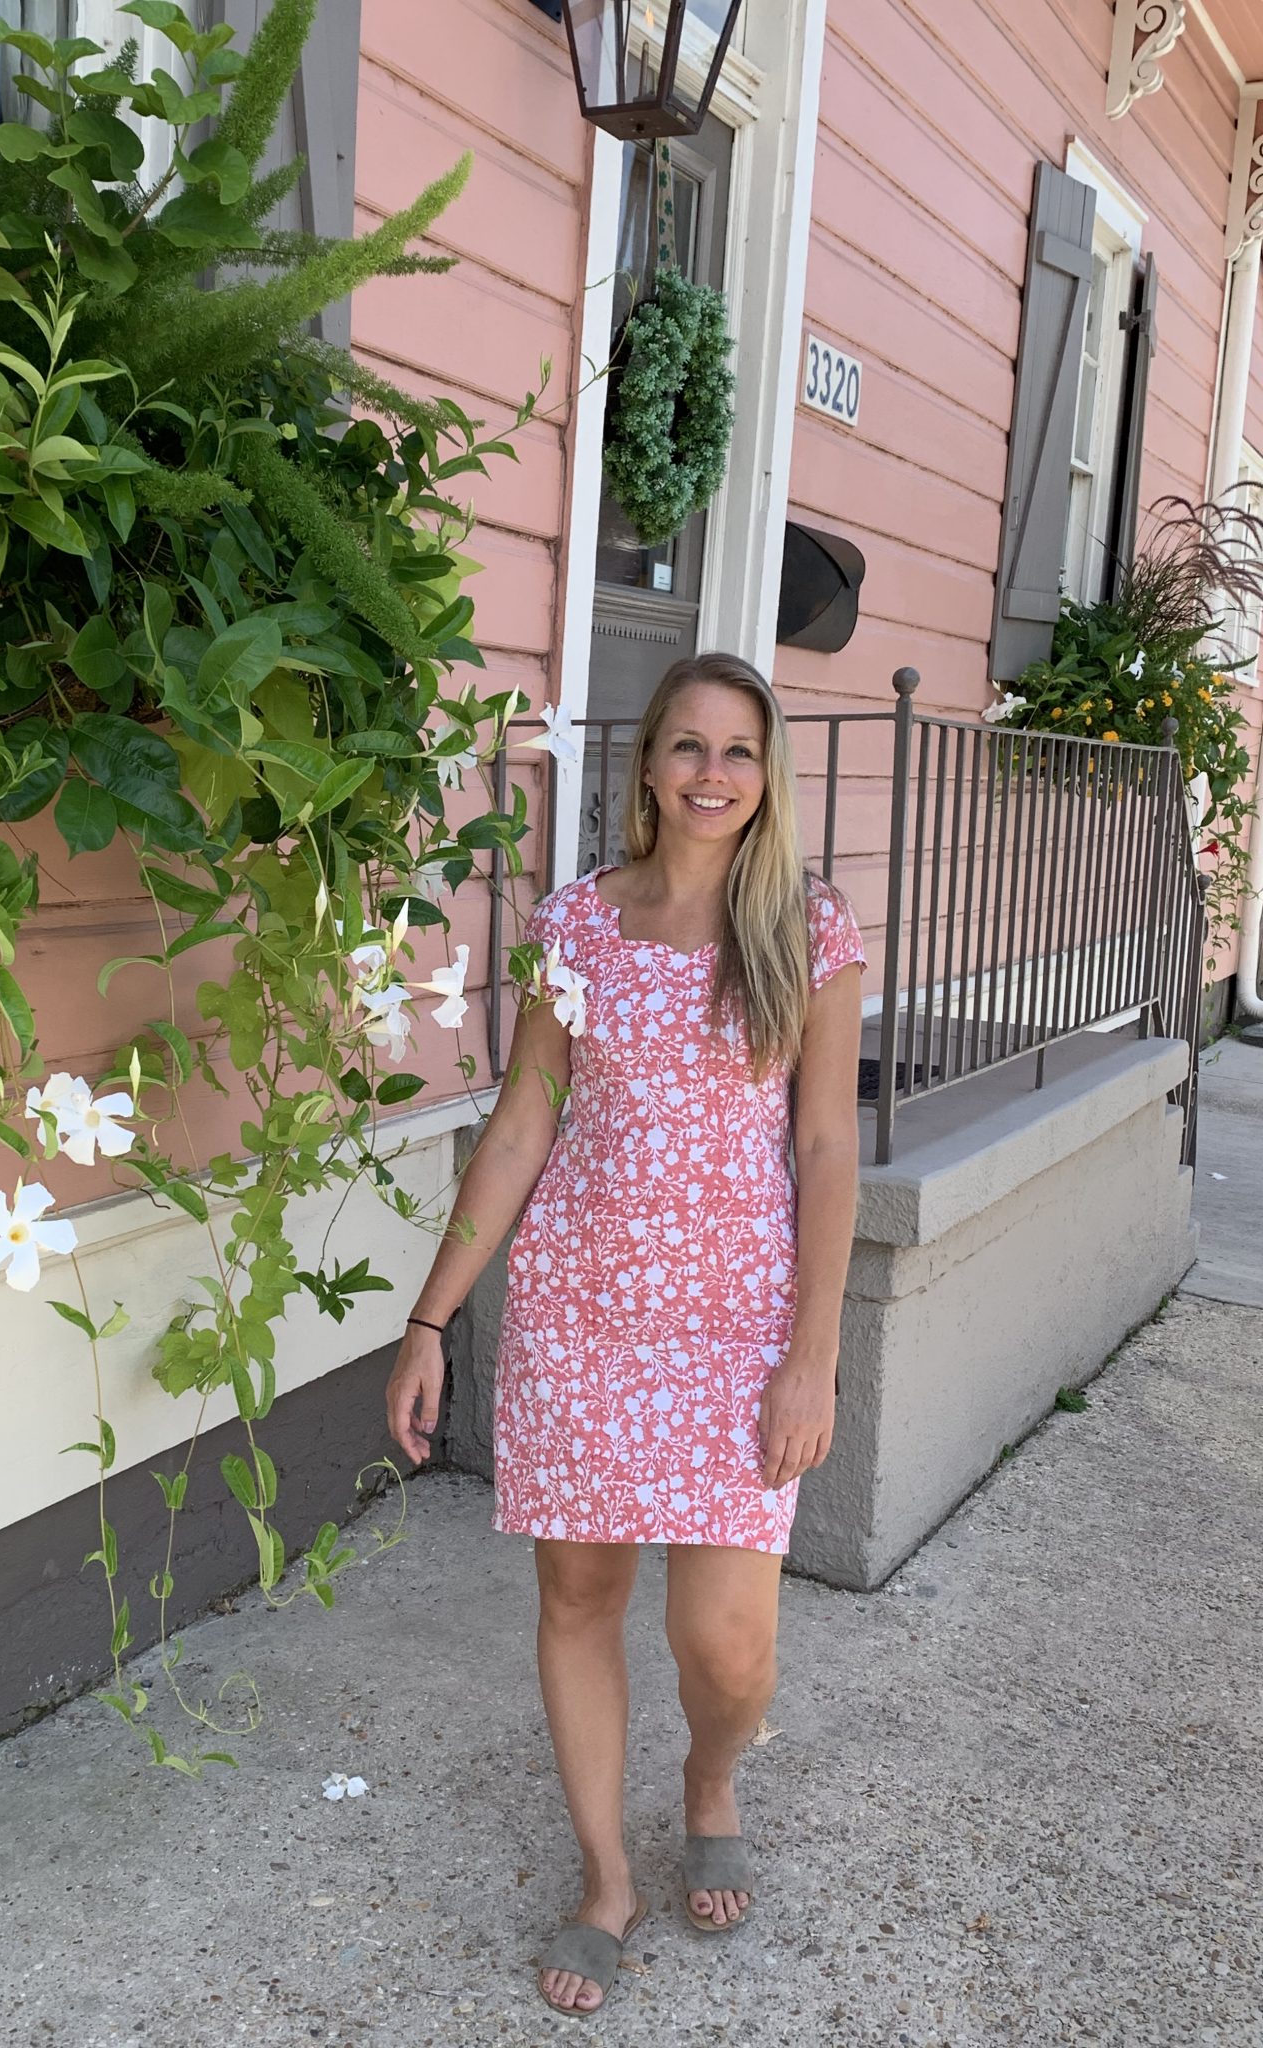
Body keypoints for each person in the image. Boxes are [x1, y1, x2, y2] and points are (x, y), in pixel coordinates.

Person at [385, 651, 866, 2017]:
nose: (713, 773)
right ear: (647, 764)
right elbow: (525, 1120)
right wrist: (431, 1320)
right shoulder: (580, 924)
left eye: (740, 752)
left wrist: (815, 1350)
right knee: (580, 1601)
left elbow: (827, 1146)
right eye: (689, 747)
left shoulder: (808, 930)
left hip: (738, 1327)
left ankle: (711, 1775)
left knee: (728, 1648)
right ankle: (606, 1875)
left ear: (767, 777)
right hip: (579, 1317)